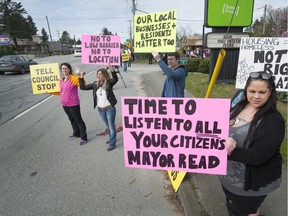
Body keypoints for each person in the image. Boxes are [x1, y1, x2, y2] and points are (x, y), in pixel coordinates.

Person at [219, 71, 285, 216]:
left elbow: (259, 157)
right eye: (252, 91)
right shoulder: (239, 106)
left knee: (241, 211)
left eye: (262, 92)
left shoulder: (274, 121)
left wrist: (230, 151)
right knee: (232, 204)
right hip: (226, 176)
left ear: (270, 93)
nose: (256, 96)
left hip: (249, 185)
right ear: (246, 91)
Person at [79, 66, 119, 151]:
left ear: (104, 75)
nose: (99, 75)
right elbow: (83, 87)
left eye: (101, 74)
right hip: (101, 110)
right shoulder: (95, 84)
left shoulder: (109, 83)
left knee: (111, 126)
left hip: (110, 109)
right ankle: (112, 137)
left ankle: (112, 143)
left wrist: (112, 70)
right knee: (108, 125)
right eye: (98, 74)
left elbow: (115, 79)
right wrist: (81, 77)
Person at [52, 63, 88, 145]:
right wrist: (49, 91)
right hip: (64, 104)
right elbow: (60, 92)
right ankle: (76, 133)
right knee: (72, 119)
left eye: (66, 68)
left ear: (69, 69)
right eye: (63, 69)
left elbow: (82, 84)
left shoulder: (73, 78)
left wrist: (79, 74)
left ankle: (84, 137)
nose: (64, 70)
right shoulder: (61, 80)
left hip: (73, 103)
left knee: (78, 120)